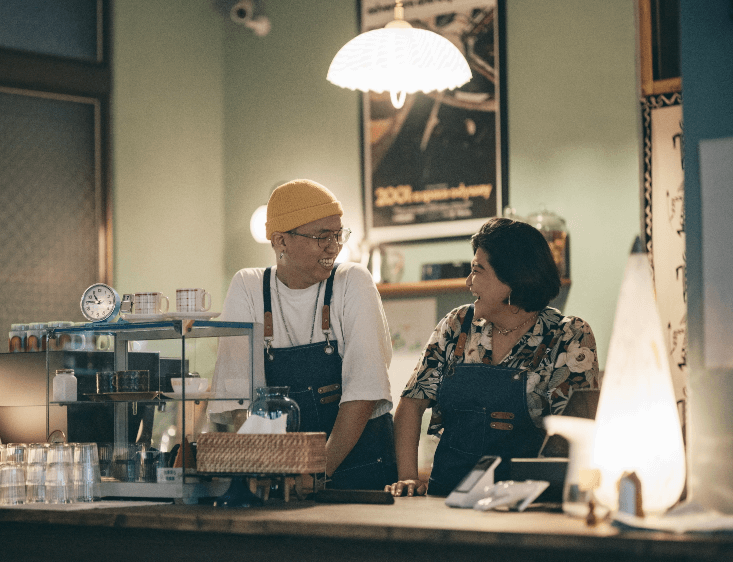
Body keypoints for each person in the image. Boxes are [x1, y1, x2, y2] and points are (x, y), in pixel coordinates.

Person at [386, 217, 600, 497]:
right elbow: (411, 404)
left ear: (513, 278)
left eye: (478, 270)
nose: (468, 282)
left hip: (529, 507)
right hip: (447, 502)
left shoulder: (568, 337)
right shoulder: (457, 326)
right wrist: (408, 478)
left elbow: (578, 435)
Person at [210, 179, 397, 490]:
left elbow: (363, 392)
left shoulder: (353, 281)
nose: (334, 247)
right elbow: (239, 398)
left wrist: (317, 473)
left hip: (359, 470)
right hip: (283, 477)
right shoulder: (248, 287)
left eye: (338, 235)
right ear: (280, 241)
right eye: (322, 237)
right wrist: (264, 471)